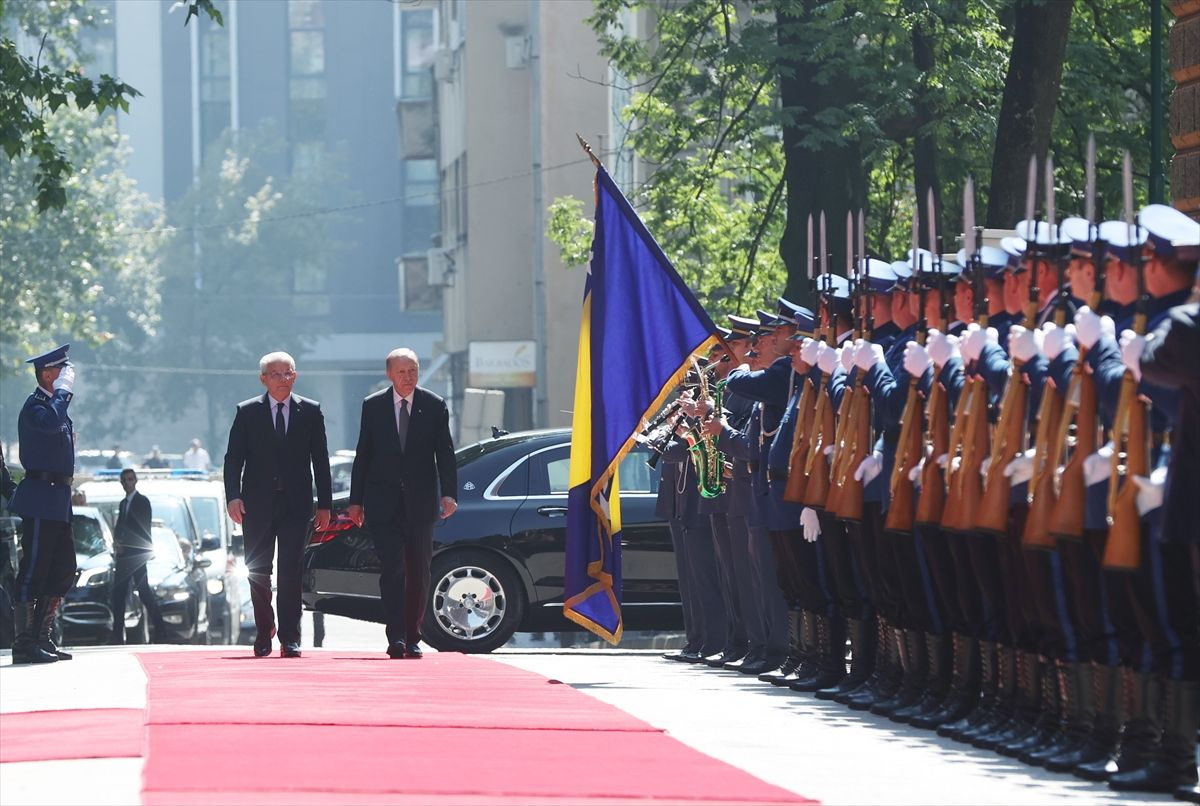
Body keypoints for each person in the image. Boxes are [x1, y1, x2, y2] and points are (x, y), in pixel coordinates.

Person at [347, 348, 457, 659]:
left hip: (421, 505)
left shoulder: (433, 406)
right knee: (392, 570)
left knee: (419, 572)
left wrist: (449, 493)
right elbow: (363, 455)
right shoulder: (374, 406)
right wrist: (356, 501)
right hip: (383, 503)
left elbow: (445, 454)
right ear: (390, 374)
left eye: (413, 371)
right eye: (402, 372)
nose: (408, 377)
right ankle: (395, 636)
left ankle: (413, 635)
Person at [223, 351, 332, 658]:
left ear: (295, 376)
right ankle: (263, 630)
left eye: (287, 374)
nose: (282, 379)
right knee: (258, 570)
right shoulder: (247, 412)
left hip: (296, 505)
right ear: (263, 379)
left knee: (291, 571)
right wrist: (233, 496)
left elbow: (320, 459)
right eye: (275, 374)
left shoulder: (309, 412)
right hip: (256, 505)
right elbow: (233, 460)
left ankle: (291, 637)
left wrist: (324, 504)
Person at [8, 344, 78, 664]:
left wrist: (61, 396)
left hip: (59, 499)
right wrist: (63, 393)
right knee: (33, 570)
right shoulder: (36, 407)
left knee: (63, 568)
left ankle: (41, 636)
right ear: (47, 374)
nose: (66, 376)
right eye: (60, 372)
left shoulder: (55, 407)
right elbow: (50, 423)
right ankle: (24, 643)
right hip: (40, 496)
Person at [108, 469, 163, 644]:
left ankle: (161, 631)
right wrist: (116, 542)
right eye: (124, 480)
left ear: (136, 481)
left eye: (130, 479)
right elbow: (120, 526)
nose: (127, 483)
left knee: (145, 593)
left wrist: (128, 545)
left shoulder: (142, 502)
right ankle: (117, 635)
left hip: (137, 555)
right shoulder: (123, 503)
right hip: (124, 557)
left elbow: (142, 528)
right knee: (119, 594)